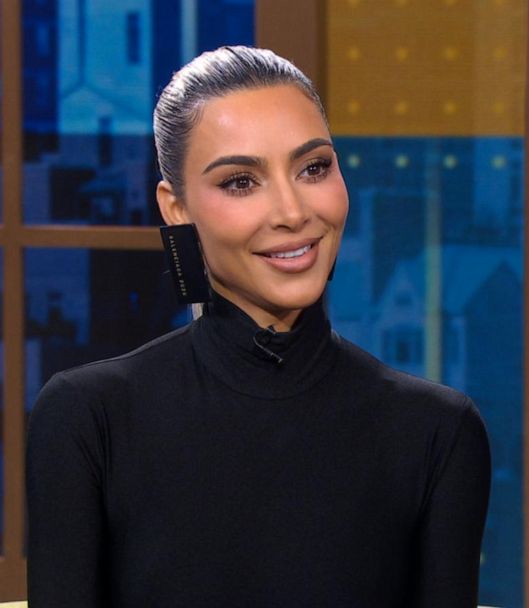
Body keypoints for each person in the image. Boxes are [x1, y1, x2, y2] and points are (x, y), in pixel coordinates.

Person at [26, 46, 491, 607]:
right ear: (177, 209)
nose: (293, 212)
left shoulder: (437, 432)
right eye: (241, 181)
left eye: (313, 168)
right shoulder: (88, 417)